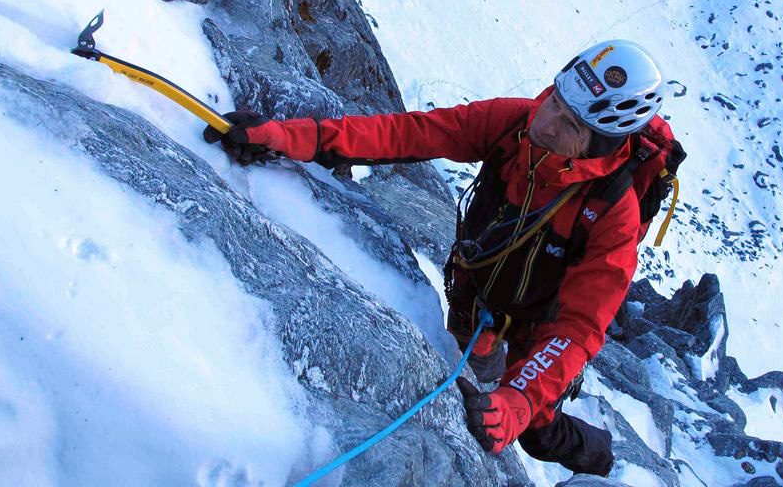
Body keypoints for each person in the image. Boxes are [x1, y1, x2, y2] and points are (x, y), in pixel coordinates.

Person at [204, 39, 667, 476]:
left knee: (538, 435)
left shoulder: (613, 214)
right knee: (474, 358)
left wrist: (521, 401)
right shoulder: (514, 125)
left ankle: (607, 459)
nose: (545, 123)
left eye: (570, 126)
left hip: (538, 326)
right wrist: (292, 137)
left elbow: (580, 327)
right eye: (554, 103)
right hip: (475, 290)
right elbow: (410, 135)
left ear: (604, 143)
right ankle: (488, 370)